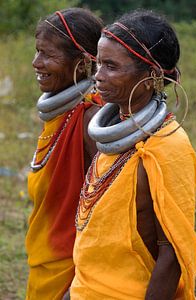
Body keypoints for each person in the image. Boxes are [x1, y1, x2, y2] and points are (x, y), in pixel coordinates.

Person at [71, 9, 196, 300]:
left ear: (151, 75)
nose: (98, 77)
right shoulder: (113, 134)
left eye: (111, 67)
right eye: (99, 64)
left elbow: (173, 255)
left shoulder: (168, 147)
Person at [25, 7, 103, 300]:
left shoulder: (91, 121)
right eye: (36, 52)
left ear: (82, 63)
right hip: (45, 267)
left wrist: (78, 288)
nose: (36, 63)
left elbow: (105, 213)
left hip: (71, 277)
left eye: (48, 55)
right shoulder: (62, 114)